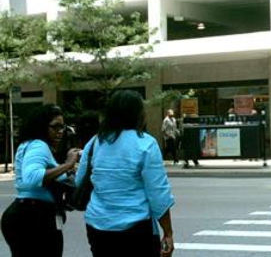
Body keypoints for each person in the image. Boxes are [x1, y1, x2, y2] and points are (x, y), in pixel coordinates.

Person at [75, 90, 175, 257]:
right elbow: (158, 193)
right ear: (137, 114)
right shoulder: (146, 144)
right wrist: (168, 233)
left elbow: (79, 181)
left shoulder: (94, 142)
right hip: (136, 228)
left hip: (97, 227)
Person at [1, 104, 81, 257]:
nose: (60, 132)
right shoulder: (39, 145)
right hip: (34, 218)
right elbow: (33, 177)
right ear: (42, 126)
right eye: (55, 127)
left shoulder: (27, 145)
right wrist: (68, 164)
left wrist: (65, 170)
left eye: (62, 127)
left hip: (23, 215)